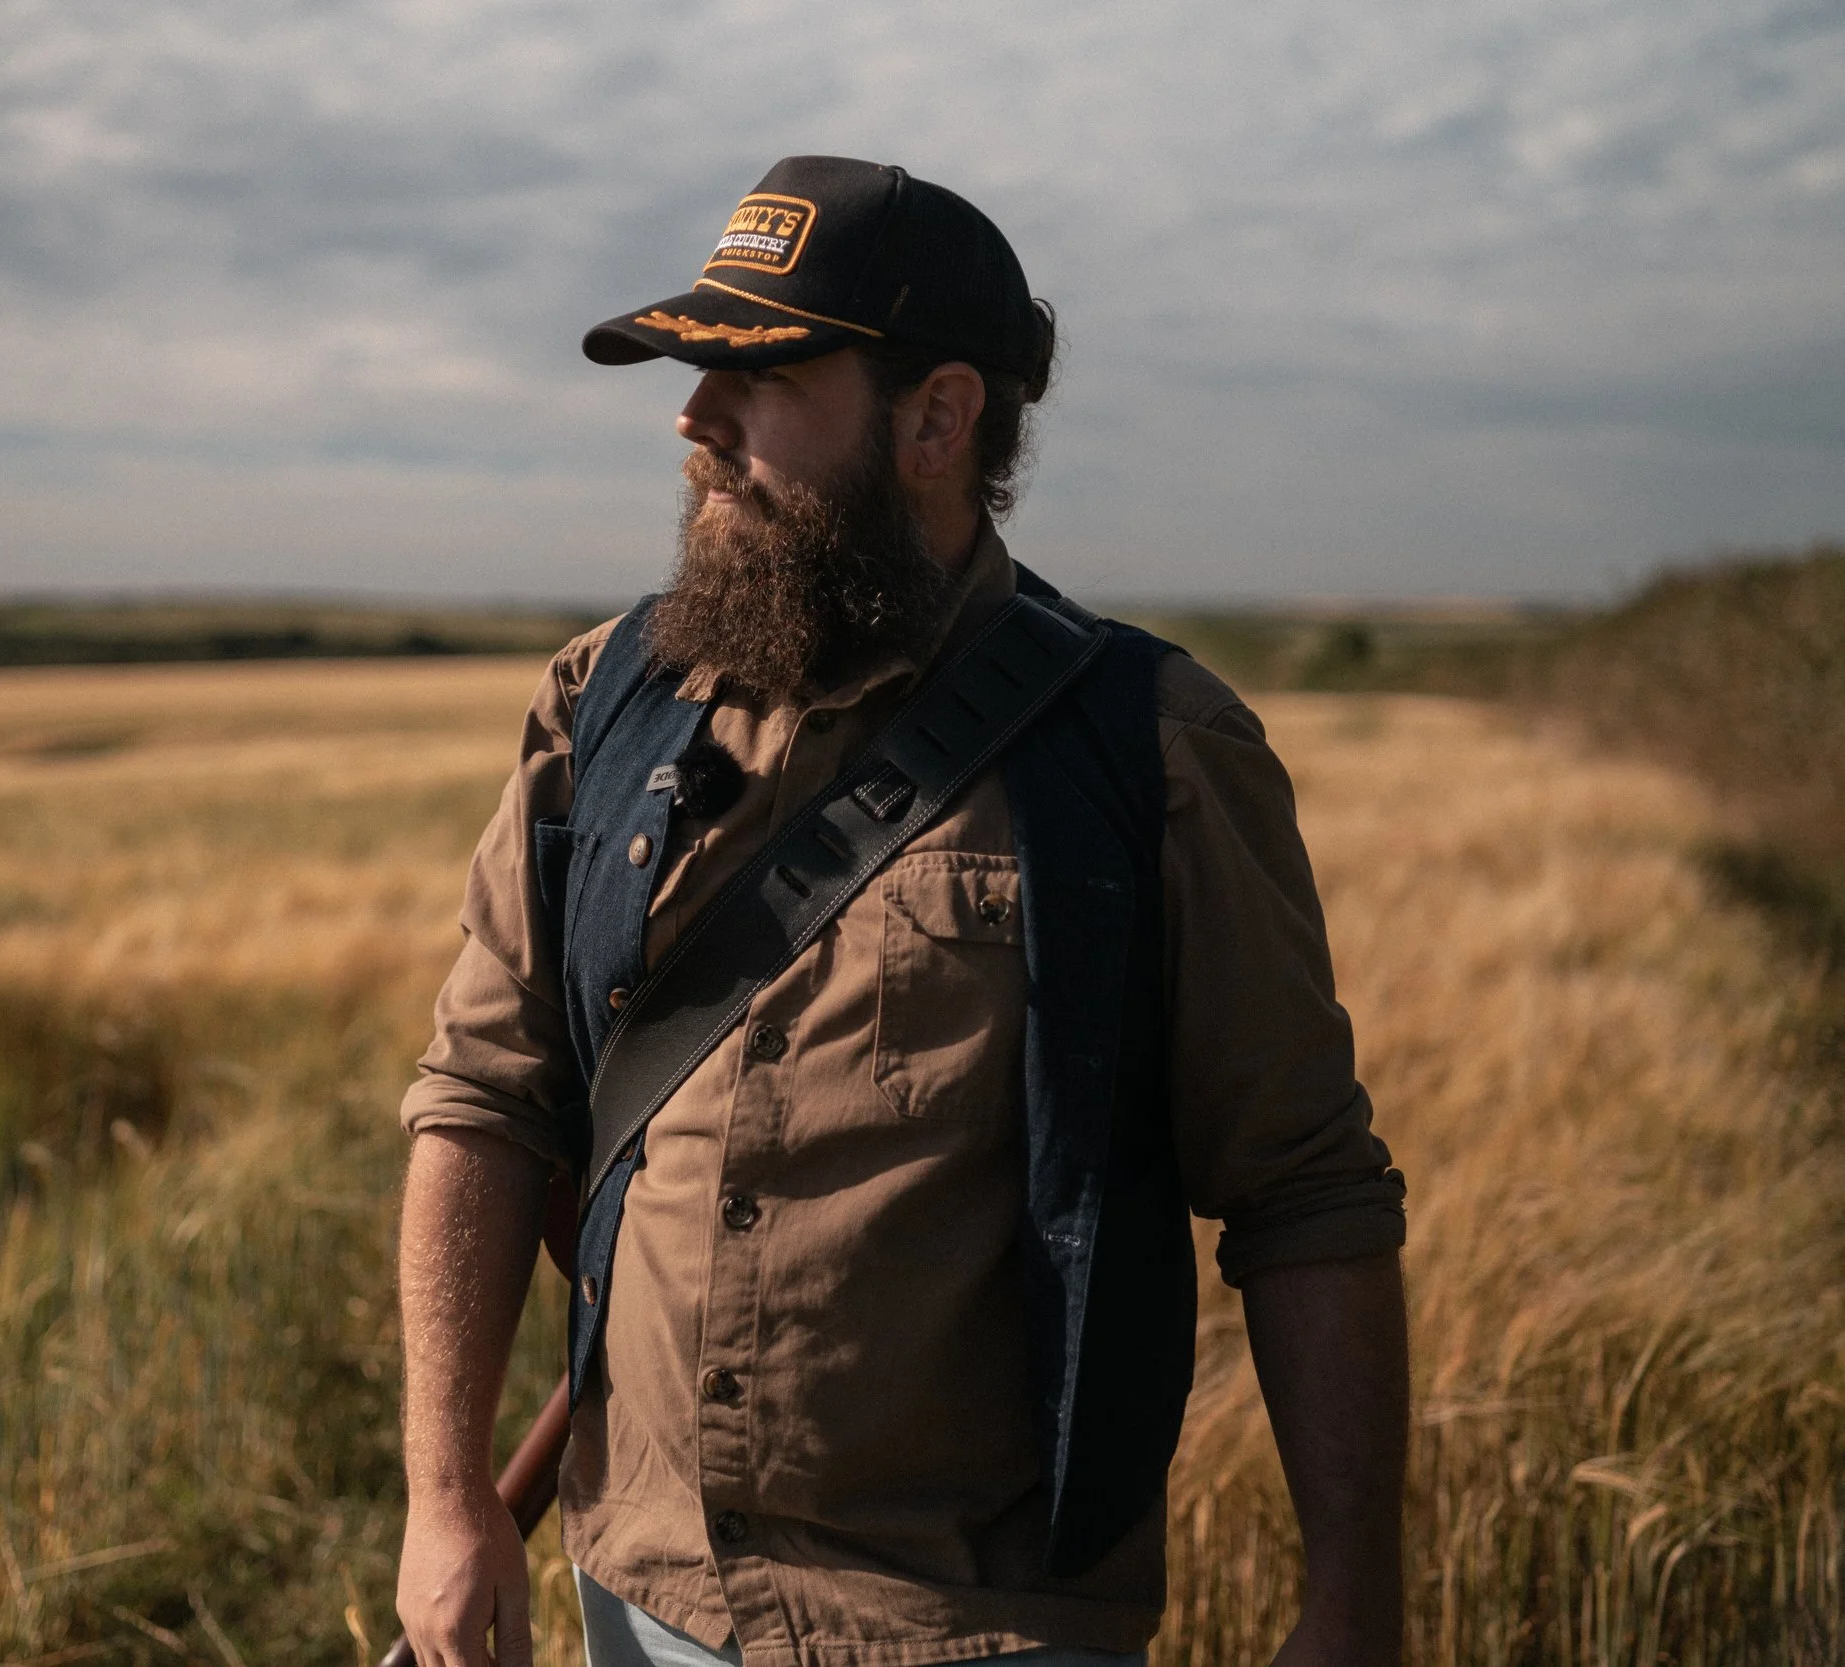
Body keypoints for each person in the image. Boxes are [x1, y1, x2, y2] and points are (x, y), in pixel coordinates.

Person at [392, 155, 1409, 1667]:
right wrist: (445, 1494)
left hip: (969, 1627)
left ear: (939, 419)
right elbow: (482, 1097)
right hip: (638, 1581)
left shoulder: (1149, 749)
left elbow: (1306, 1191)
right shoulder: (601, 700)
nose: (694, 420)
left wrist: (1354, 1603)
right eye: (693, 373)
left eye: (761, 375)